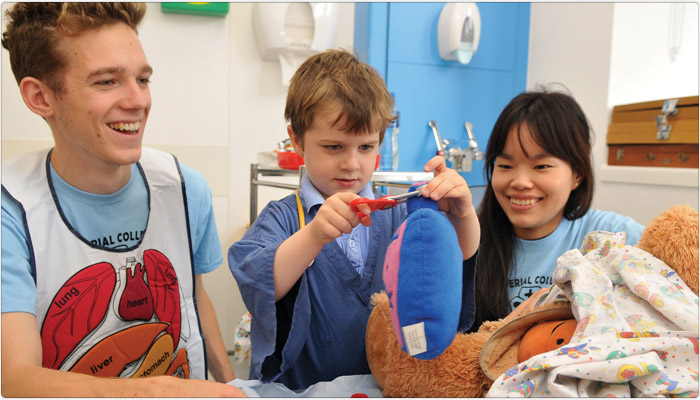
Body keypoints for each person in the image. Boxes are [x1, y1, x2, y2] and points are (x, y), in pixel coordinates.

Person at [1, 3, 244, 397]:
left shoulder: (184, 188)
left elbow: (194, 298)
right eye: (106, 82)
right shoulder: (11, 212)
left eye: (143, 79)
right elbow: (15, 379)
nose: (138, 101)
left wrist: (233, 384)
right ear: (41, 97)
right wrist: (153, 392)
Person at [228, 49, 480, 390]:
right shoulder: (284, 217)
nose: (351, 164)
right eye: (334, 147)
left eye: (365, 147)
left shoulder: (398, 214)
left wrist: (463, 217)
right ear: (297, 141)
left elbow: (446, 269)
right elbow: (259, 280)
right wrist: (314, 235)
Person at [472, 90, 644, 328]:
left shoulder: (613, 237)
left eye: (541, 166)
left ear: (577, 174)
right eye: (505, 165)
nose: (520, 181)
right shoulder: (471, 240)